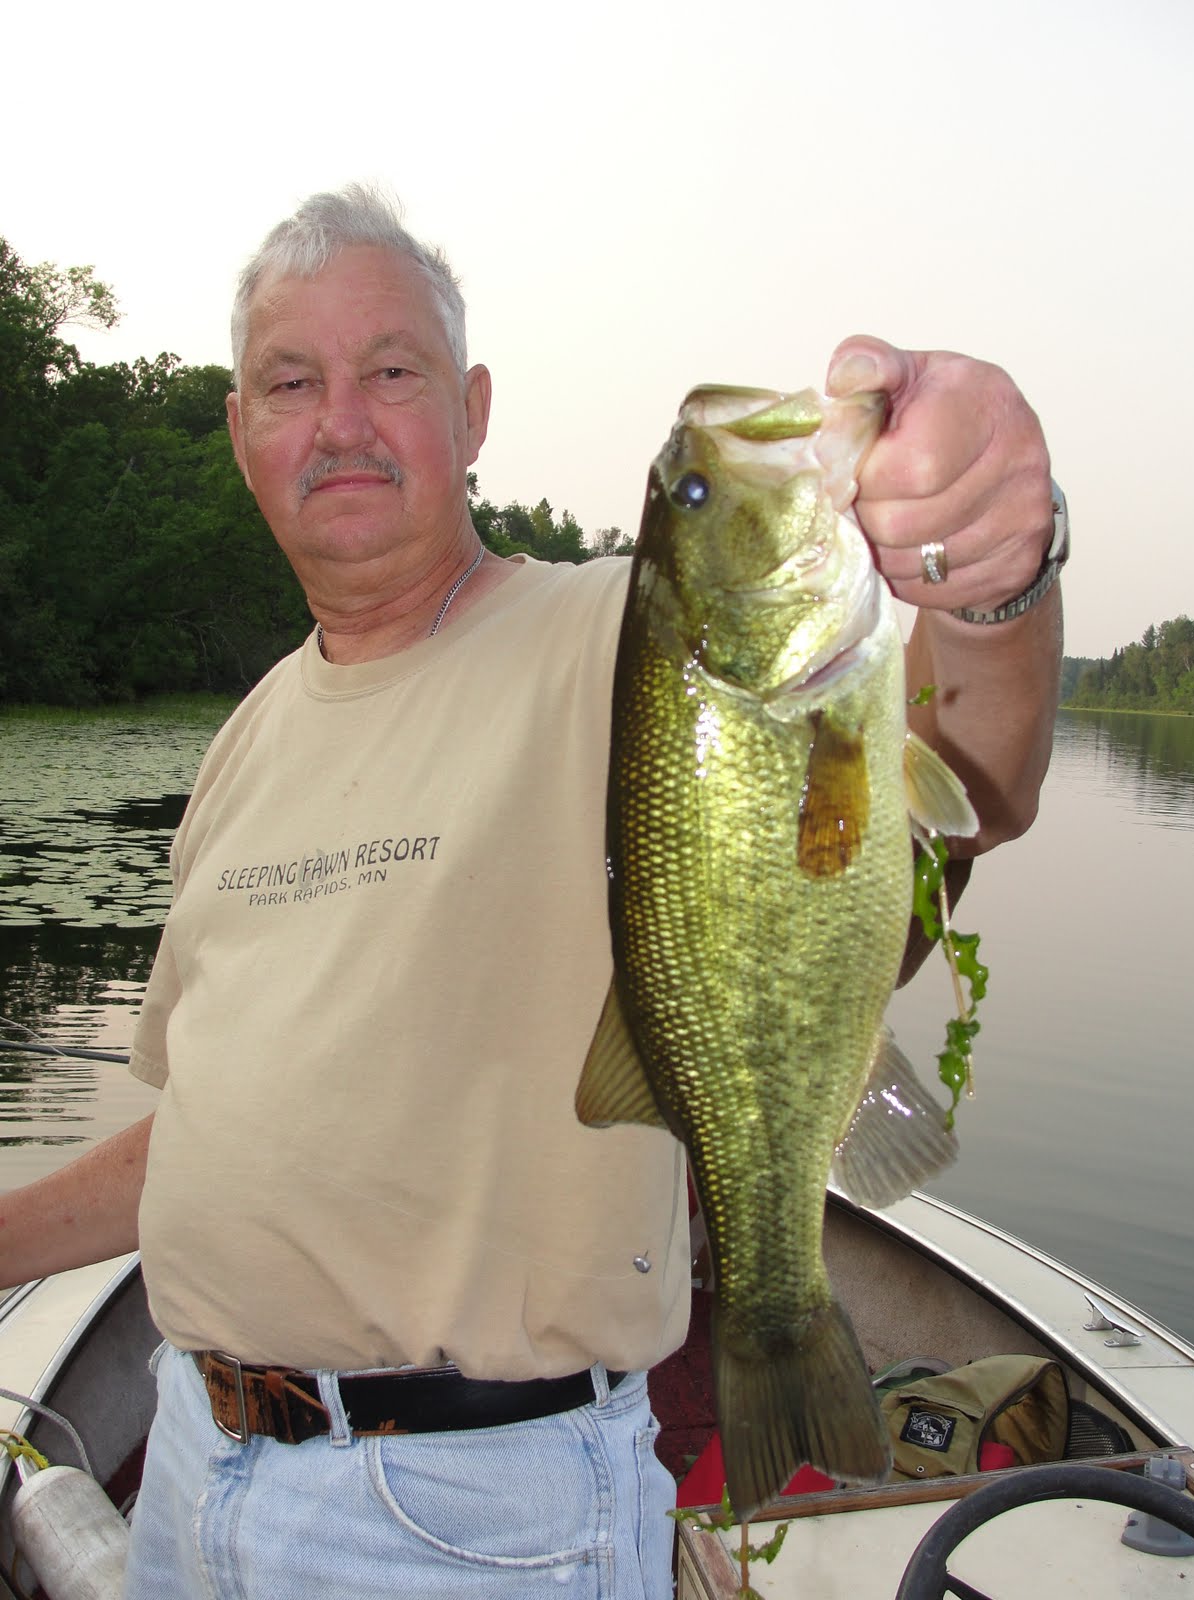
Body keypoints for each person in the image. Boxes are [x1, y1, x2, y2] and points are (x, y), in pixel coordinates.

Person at [0, 185, 1064, 1598]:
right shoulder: (245, 739)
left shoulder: (622, 645)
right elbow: (205, 1125)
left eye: (392, 372)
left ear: (474, 410)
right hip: (193, 1471)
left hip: (467, 1520)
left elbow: (970, 774)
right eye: (290, 383)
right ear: (243, 432)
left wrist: (987, 573)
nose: (342, 420)